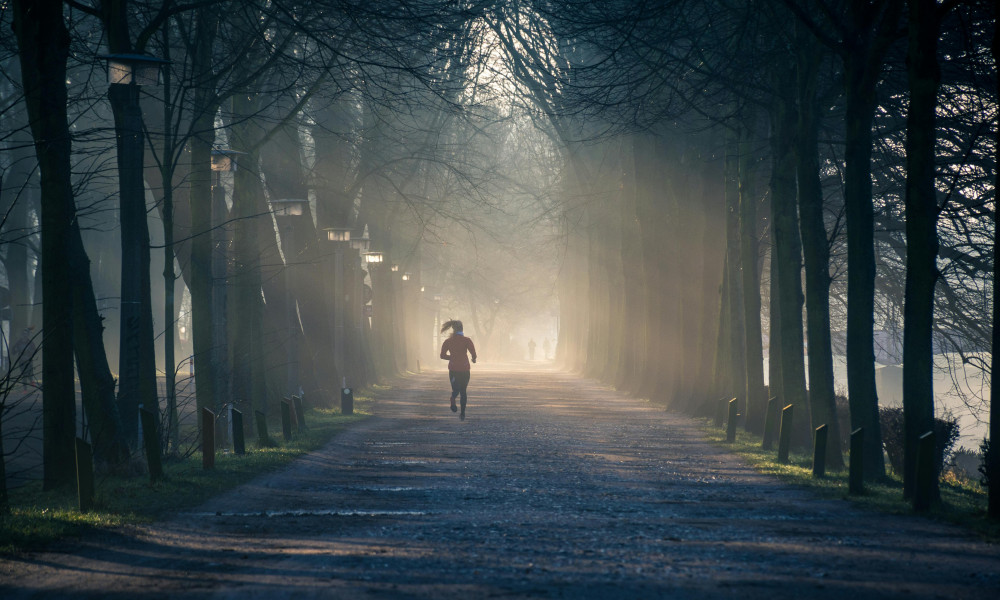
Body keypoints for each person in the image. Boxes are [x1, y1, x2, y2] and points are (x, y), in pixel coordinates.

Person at [439, 319, 477, 420]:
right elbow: (473, 353)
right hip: (464, 369)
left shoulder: (448, 341)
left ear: (453, 329)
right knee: (463, 391)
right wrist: (473, 359)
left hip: (453, 369)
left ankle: (452, 398)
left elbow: (442, 355)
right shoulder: (467, 340)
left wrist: (451, 358)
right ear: (462, 329)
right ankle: (463, 413)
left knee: (456, 389)